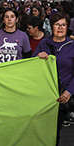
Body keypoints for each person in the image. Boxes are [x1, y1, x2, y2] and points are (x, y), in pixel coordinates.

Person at [35, 12, 74, 143]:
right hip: (45, 94)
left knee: (55, 130)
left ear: (67, 26)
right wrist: (38, 58)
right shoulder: (44, 43)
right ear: (52, 26)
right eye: (57, 24)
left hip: (63, 94)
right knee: (43, 129)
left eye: (63, 25)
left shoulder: (72, 46)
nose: (60, 27)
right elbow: (31, 65)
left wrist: (69, 91)